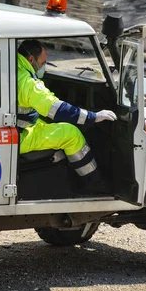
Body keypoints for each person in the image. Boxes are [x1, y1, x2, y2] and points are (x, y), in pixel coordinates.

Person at [17, 39, 117, 193]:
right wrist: (93, 117)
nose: (43, 67)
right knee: (71, 134)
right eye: (43, 62)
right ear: (31, 59)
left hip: (10, 128)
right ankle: (94, 185)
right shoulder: (28, 83)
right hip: (17, 137)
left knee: (45, 121)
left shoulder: (1, 64)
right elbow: (57, 109)